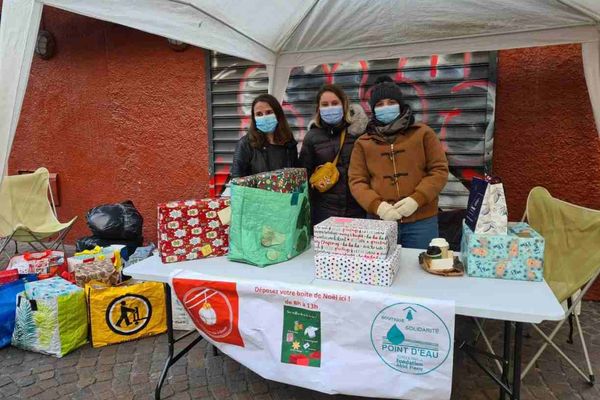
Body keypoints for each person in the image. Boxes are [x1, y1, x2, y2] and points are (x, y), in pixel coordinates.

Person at [348, 76, 449, 249]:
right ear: (373, 109)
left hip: (421, 221)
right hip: (379, 222)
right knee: (378, 271)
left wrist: (417, 199)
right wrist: (378, 206)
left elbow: (439, 170)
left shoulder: (423, 134)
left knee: (420, 269)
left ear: (400, 104)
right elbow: (357, 181)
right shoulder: (363, 143)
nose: (385, 107)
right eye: (379, 104)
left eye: (391, 102)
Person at [299, 84, 368, 226]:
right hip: (324, 214)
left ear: (344, 105)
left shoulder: (358, 133)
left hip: (358, 210)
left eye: (335, 103)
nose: (330, 107)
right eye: (325, 104)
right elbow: (304, 176)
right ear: (318, 109)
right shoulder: (312, 137)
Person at [231, 94, 298, 178]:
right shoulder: (245, 144)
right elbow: (237, 179)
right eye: (259, 114)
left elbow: (295, 176)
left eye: (269, 112)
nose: (264, 117)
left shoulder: (289, 142)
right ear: (254, 118)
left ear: (278, 114)